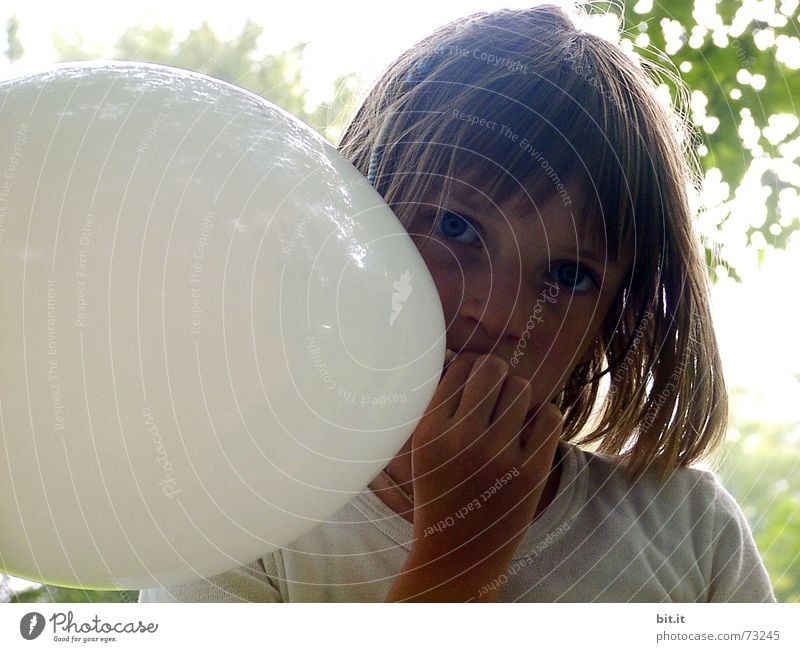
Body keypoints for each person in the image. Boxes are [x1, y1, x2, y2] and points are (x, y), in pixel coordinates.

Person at [140, 4, 774, 602]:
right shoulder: (232, 513)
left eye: (570, 275)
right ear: (357, 221)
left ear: (613, 322)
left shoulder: (693, 534)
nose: (498, 316)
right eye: (455, 227)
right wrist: (461, 555)